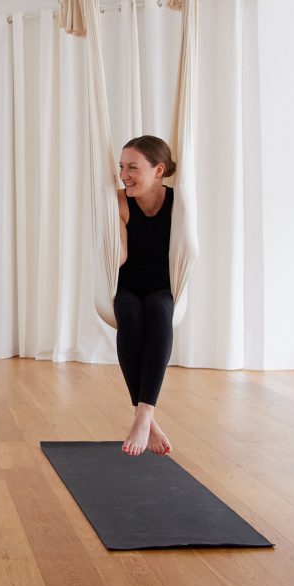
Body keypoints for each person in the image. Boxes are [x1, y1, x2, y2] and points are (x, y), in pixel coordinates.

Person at [115, 135, 176, 457]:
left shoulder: (179, 203)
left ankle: (143, 416)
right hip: (127, 285)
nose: (124, 175)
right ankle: (146, 418)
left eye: (133, 168)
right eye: (121, 167)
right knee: (130, 315)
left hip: (162, 287)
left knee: (159, 311)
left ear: (158, 170)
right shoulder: (120, 201)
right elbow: (122, 257)